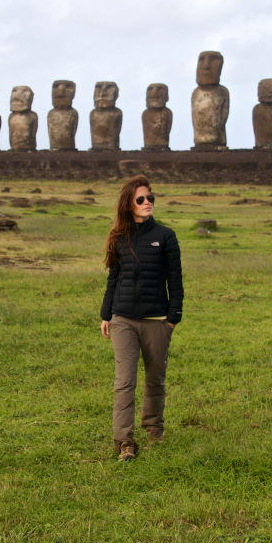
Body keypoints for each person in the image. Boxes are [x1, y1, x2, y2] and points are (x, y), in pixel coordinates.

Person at [100, 175, 183, 461]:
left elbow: (175, 279)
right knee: (124, 381)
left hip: (157, 320)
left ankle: (153, 429)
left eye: (150, 198)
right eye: (141, 199)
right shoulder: (119, 237)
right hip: (123, 319)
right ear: (129, 204)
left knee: (156, 379)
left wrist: (173, 318)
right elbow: (114, 277)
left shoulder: (166, 236)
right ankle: (124, 441)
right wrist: (106, 314)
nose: (147, 203)